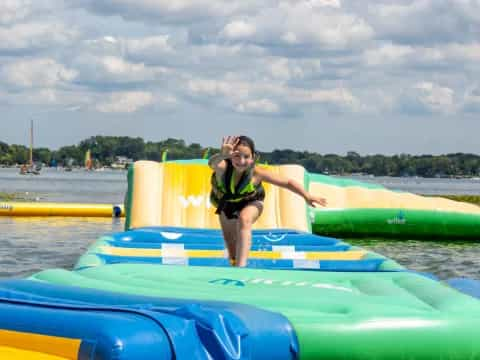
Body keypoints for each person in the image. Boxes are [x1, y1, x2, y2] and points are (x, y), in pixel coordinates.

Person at [209, 135, 327, 267]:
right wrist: (222, 155)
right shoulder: (223, 168)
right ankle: (235, 263)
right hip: (226, 204)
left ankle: (241, 268)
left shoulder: (258, 173)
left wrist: (307, 195)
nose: (242, 161)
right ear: (231, 156)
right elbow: (212, 163)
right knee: (232, 251)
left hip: (252, 201)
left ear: (253, 157)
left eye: (246, 156)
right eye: (237, 156)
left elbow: (287, 182)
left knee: (244, 219)